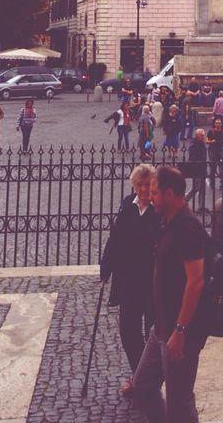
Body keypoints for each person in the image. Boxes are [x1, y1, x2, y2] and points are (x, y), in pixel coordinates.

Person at [131, 166, 210, 423]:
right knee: (142, 386)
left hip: (180, 331)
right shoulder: (168, 221)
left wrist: (181, 330)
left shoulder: (188, 228)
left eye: (154, 192)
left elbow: (196, 281)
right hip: (162, 327)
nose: (149, 196)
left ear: (169, 194)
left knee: (180, 403)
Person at [100, 163, 160, 398]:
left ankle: (147, 381)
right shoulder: (128, 204)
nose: (144, 190)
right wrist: (106, 264)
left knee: (152, 333)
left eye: (148, 185)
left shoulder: (159, 210)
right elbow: (116, 236)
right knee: (128, 330)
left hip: (153, 281)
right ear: (133, 185)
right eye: (140, 185)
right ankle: (140, 376)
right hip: (129, 280)